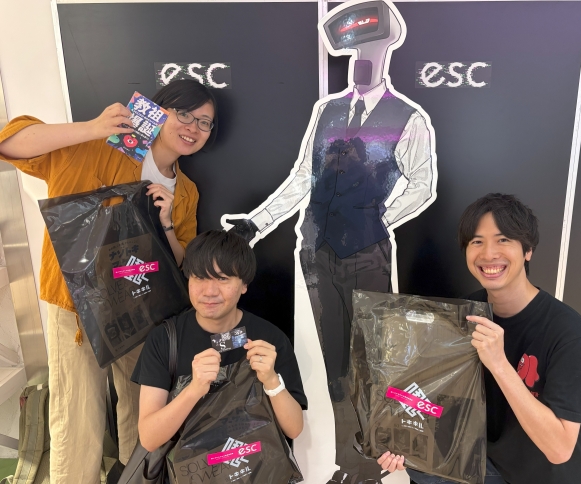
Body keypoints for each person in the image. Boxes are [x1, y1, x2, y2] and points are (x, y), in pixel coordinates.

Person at [224, 1, 436, 481]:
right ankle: (349, 463)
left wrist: (380, 218)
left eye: (371, 47)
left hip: (367, 255)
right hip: (317, 252)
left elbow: (423, 184)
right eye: (357, 49)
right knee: (336, 366)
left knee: (370, 364)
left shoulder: (408, 117)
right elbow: (303, 176)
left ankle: (374, 463)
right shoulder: (328, 110)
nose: (362, 59)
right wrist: (256, 224)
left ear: (386, 49)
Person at [0, 79, 216, 484]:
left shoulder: (185, 191)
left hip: (143, 315)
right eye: (184, 114)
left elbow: (183, 264)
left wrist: (167, 223)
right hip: (77, 308)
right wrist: (93, 128)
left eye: (204, 122)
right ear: (159, 112)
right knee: (76, 420)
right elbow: (9, 142)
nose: (192, 127)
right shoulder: (95, 147)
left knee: (142, 417)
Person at [379, 193, 581, 484]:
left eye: (503, 240)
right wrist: (401, 436)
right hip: (494, 462)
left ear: (528, 250)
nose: (488, 254)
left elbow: (559, 450)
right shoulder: (466, 313)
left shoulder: (569, 334)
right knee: (420, 466)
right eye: (477, 241)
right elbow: (437, 393)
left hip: (550, 475)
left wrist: (499, 364)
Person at [131, 229, 306, 454]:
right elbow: (149, 438)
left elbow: (294, 429)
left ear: (244, 284)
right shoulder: (164, 339)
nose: (210, 291)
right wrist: (194, 390)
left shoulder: (269, 338)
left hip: (252, 467)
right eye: (200, 277)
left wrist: (272, 380)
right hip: (189, 467)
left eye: (223, 279)